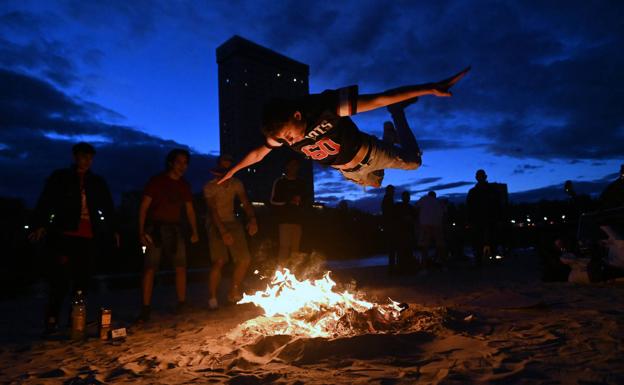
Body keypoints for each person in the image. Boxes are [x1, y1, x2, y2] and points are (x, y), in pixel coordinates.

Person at [218, 67, 470, 188]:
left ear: (297, 115)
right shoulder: (283, 137)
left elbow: (381, 98)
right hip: (349, 173)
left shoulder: (325, 107)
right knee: (376, 184)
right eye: (284, 139)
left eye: (289, 134)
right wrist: (234, 170)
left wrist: (429, 88)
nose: (290, 141)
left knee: (413, 162)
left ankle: (397, 115)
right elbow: (259, 152)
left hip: (370, 153)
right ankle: (388, 137)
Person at [29, 142, 117, 333]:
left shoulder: (97, 182)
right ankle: (52, 319)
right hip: (64, 234)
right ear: (74, 157)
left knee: (82, 280)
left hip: (87, 236)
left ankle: (74, 319)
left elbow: (108, 207)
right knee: (60, 280)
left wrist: (113, 230)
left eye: (88, 158)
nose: (85, 161)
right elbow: (46, 201)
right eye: (81, 157)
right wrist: (40, 225)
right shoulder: (60, 177)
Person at [137, 149, 199, 322]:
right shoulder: (157, 181)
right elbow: (143, 207)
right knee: (150, 268)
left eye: (185, 163)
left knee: (181, 266)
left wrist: (195, 231)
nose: (183, 166)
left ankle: (181, 302)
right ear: (171, 163)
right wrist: (141, 232)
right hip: (155, 229)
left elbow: (190, 210)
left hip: (175, 229)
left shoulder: (184, 185)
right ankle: (145, 308)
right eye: (179, 162)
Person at [204, 154, 258, 310]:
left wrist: (252, 219)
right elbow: (213, 211)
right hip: (215, 223)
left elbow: (245, 201)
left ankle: (233, 291)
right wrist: (223, 232)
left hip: (232, 221)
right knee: (219, 261)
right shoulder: (210, 186)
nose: (226, 172)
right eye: (223, 168)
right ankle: (212, 297)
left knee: (244, 259)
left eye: (229, 168)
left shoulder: (236, 183)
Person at [270, 158, 308, 265]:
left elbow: (306, 200)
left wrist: (300, 202)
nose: (293, 167)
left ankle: (293, 275)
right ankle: (281, 273)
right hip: (284, 219)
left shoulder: (301, 182)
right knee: (284, 247)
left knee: (295, 249)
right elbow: (273, 201)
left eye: (295, 165)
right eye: (291, 165)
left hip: (298, 220)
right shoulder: (280, 182)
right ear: (286, 167)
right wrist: (288, 201)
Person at [466, 169, 500, 266]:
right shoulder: (474, 191)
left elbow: (497, 204)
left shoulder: (490, 190)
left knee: (490, 238)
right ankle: (480, 258)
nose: (480, 178)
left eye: (481, 176)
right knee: (479, 239)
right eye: (479, 176)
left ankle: (488, 257)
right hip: (480, 219)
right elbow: (469, 206)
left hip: (489, 218)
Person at [415, 191, 447, 267]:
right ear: (435, 196)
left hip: (425, 224)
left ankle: (424, 265)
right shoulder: (439, 201)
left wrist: (417, 221)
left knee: (424, 245)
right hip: (437, 224)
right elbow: (445, 213)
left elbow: (416, 207)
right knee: (440, 245)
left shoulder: (423, 199)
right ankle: (442, 264)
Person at [394, 191, 417, 269]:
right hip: (402, 232)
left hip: (406, 232)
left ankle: (406, 266)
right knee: (403, 250)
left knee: (407, 249)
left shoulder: (408, 207)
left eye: (407, 197)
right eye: (406, 197)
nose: (407, 198)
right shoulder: (400, 207)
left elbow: (414, 218)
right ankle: (402, 266)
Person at [381, 185, 398, 271]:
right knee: (392, 246)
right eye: (393, 191)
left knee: (391, 247)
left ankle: (392, 266)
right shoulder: (388, 199)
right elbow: (390, 212)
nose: (394, 192)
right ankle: (391, 267)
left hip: (388, 225)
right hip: (390, 225)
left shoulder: (386, 199)